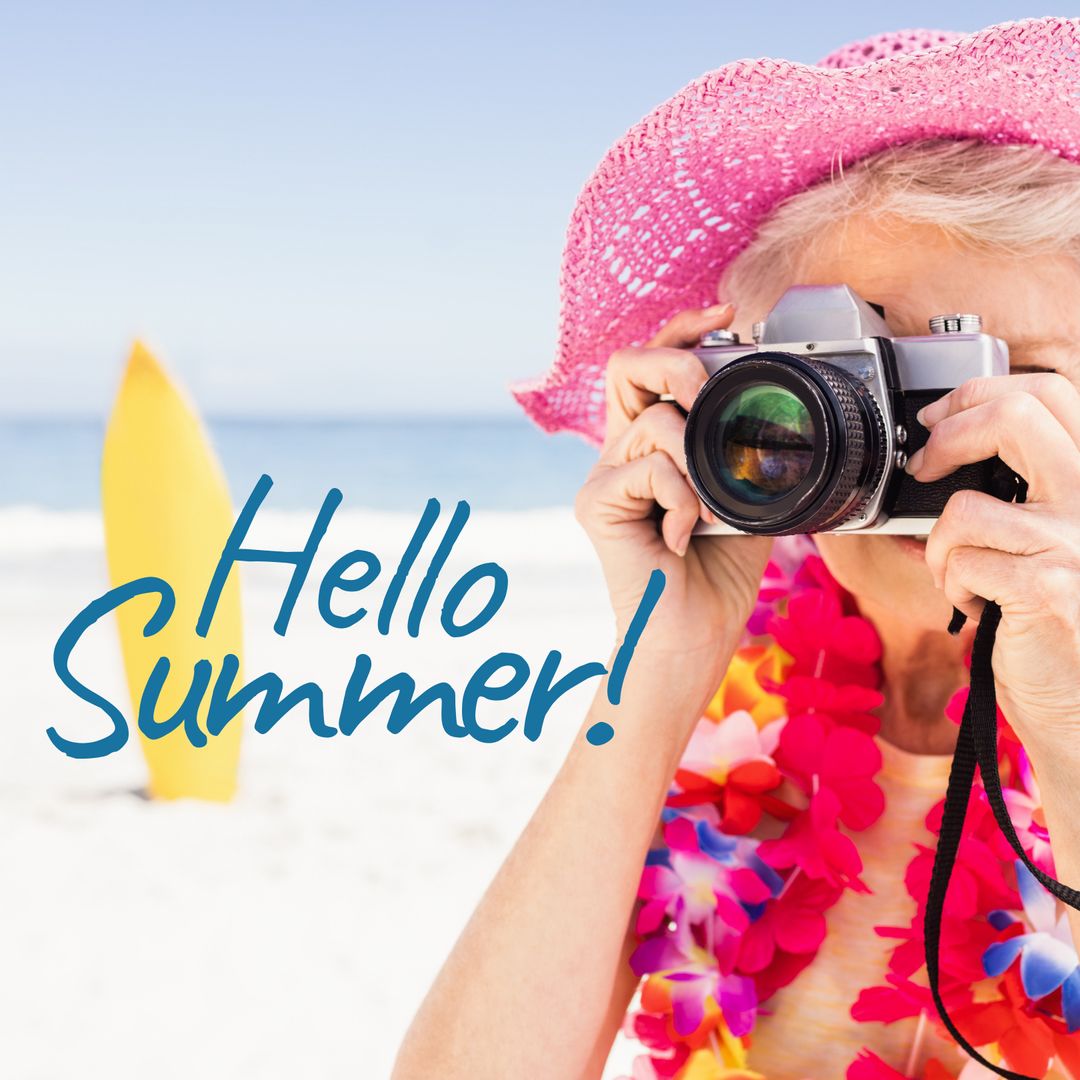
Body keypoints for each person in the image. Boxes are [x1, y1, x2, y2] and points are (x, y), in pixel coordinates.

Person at [393, 19, 1080, 1079]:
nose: (919, 448)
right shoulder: (733, 708)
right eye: (866, 383)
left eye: (998, 389)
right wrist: (656, 670)